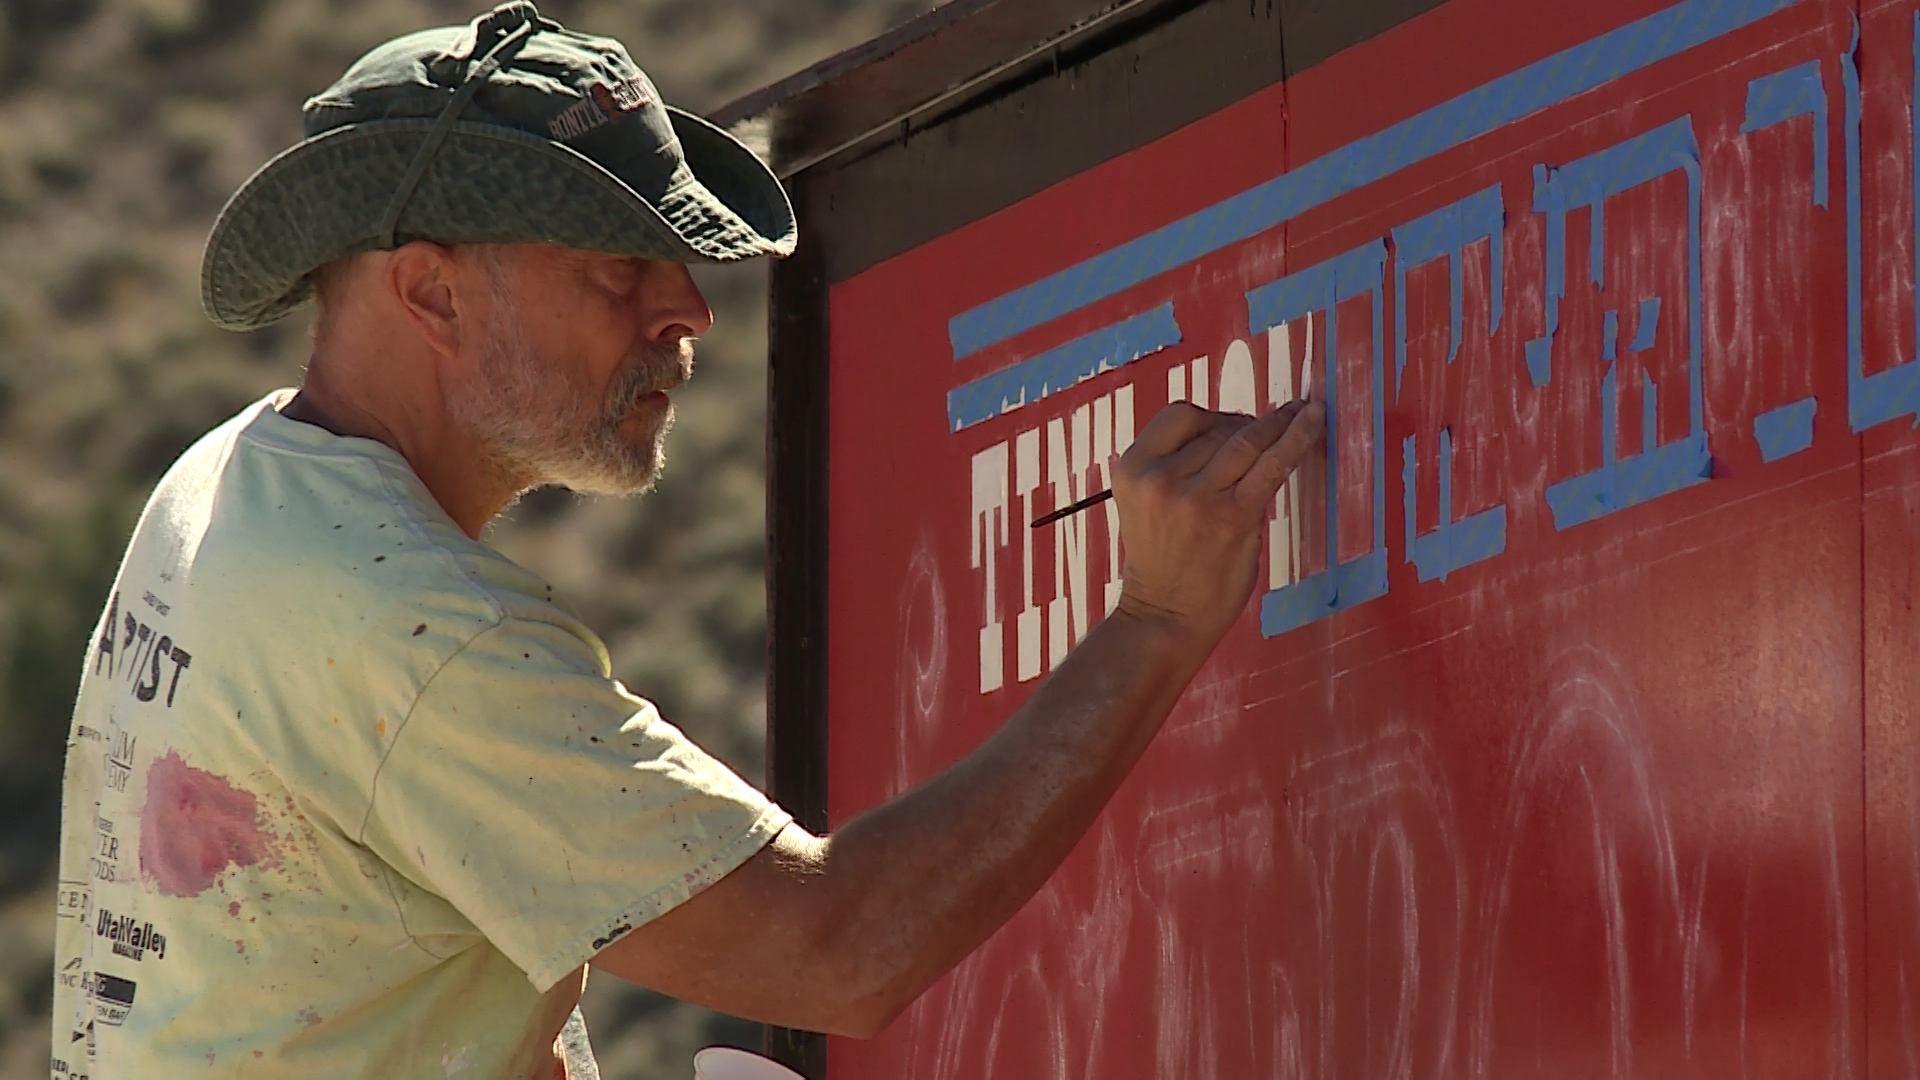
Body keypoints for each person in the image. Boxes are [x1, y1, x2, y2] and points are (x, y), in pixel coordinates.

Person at [48, 3, 1326, 1077]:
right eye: (616, 267)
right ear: (430, 292)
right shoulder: (406, 631)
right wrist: (1156, 625)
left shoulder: (223, 490)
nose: (685, 313)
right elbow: (838, 952)